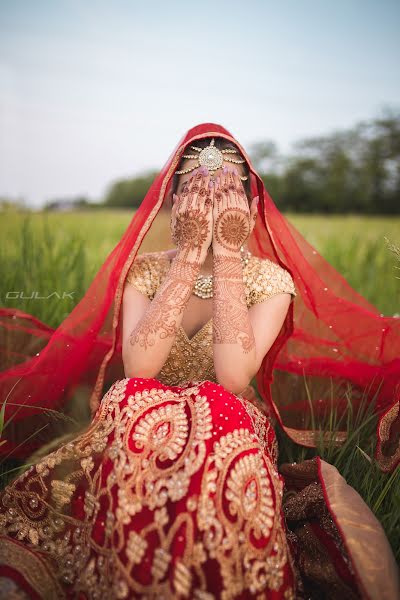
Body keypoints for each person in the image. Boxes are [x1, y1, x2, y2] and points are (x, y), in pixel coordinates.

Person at [0, 125, 399, 599]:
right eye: (195, 194)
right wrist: (187, 260)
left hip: (230, 420)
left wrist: (228, 258)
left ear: (250, 209)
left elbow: (232, 377)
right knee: (132, 400)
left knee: (218, 412)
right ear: (173, 207)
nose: (209, 208)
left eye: (225, 194)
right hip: (141, 414)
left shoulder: (269, 280)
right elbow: (141, 370)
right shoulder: (146, 271)